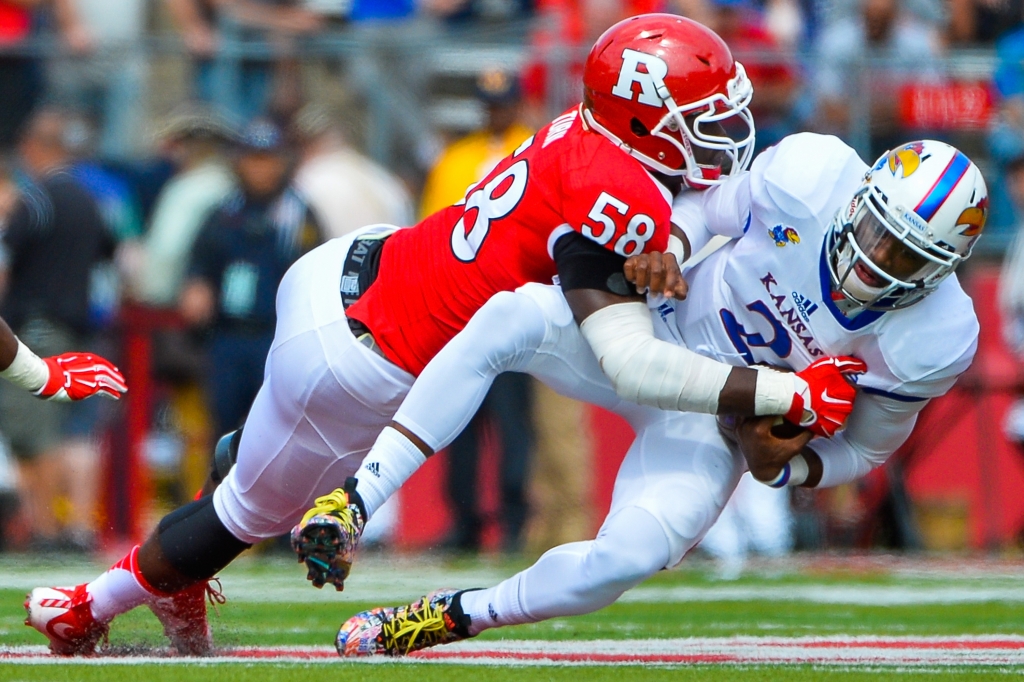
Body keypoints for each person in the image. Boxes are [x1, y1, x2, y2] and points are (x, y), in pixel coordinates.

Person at [24, 15, 853, 656]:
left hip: (352, 267)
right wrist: (779, 388)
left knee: (282, 458)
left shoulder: (586, 129)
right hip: (364, 354)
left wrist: (663, 243)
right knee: (246, 514)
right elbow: (625, 354)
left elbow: (633, 219)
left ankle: (248, 472)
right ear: (640, 121)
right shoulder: (622, 196)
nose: (725, 129)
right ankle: (83, 606)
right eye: (700, 115)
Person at [327, 134, 986, 656]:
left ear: (940, 270)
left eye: (904, 258)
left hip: (714, 423)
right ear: (859, 198)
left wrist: (787, 465)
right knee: (511, 315)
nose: (874, 263)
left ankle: (451, 617)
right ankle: (358, 500)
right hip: (652, 327)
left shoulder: (932, 338)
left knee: (622, 562)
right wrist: (670, 245)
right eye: (875, 233)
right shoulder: (811, 175)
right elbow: (707, 207)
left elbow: (868, 449)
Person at [179, 117, 322, 437]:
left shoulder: (297, 215)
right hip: (228, 337)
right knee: (222, 432)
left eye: (267, 160)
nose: (260, 170)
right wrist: (196, 284)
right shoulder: (226, 212)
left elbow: (317, 273)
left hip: (277, 338)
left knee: (274, 434)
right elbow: (201, 261)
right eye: (253, 160)